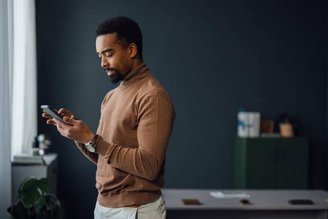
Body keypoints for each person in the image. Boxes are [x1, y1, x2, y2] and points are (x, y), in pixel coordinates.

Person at [42, 16, 175, 219]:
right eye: (99, 56)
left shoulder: (152, 95)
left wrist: (92, 139)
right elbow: (106, 159)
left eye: (108, 54)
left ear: (131, 50)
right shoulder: (110, 97)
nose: (103, 63)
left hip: (135, 211)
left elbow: (149, 166)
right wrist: (79, 137)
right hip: (104, 207)